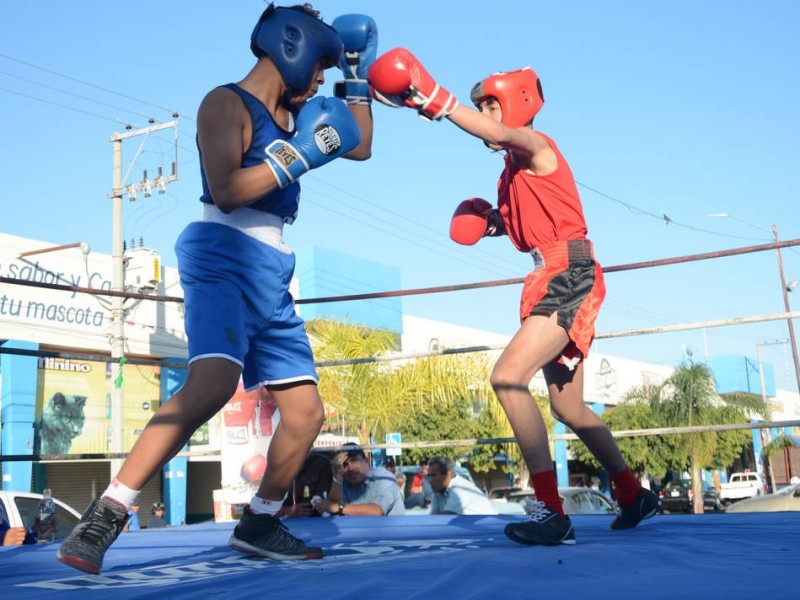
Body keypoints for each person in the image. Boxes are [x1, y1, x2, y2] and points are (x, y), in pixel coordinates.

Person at [57, 4, 377, 574]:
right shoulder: (224, 102)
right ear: (294, 45)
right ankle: (105, 514)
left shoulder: (293, 115)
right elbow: (227, 188)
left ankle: (260, 520)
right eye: (323, 64)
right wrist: (303, 153)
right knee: (212, 382)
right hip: (222, 252)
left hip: (274, 265)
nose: (322, 79)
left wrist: (358, 71)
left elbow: (358, 144)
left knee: (305, 414)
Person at [368, 49, 660, 546]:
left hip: (569, 274)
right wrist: (492, 223)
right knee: (569, 409)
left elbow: (504, 135)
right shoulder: (511, 176)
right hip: (548, 278)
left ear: (515, 103)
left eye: (490, 106)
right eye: (479, 107)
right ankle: (633, 494)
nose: (485, 116)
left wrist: (431, 97)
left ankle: (552, 512)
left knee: (507, 377)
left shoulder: (536, 144)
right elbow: (529, 220)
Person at [313, 445, 405, 516]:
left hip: (390, 539)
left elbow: (377, 511)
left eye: (354, 460)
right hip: (358, 538)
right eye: (344, 464)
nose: (350, 468)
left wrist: (338, 507)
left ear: (367, 462)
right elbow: (334, 514)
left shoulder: (383, 477)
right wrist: (337, 476)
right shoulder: (343, 481)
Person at [426, 456, 497, 516]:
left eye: (434, 475)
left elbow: (445, 517)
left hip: (489, 529)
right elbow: (430, 517)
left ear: (448, 474)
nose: (430, 480)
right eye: (429, 476)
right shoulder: (439, 492)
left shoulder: (460, 488)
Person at [280, 451, 335, 518]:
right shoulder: (280, 463)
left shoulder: (322, 463)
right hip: (286, 519)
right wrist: (286, 510)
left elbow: (324, 495)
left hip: (316, 519)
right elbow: (267, 504)